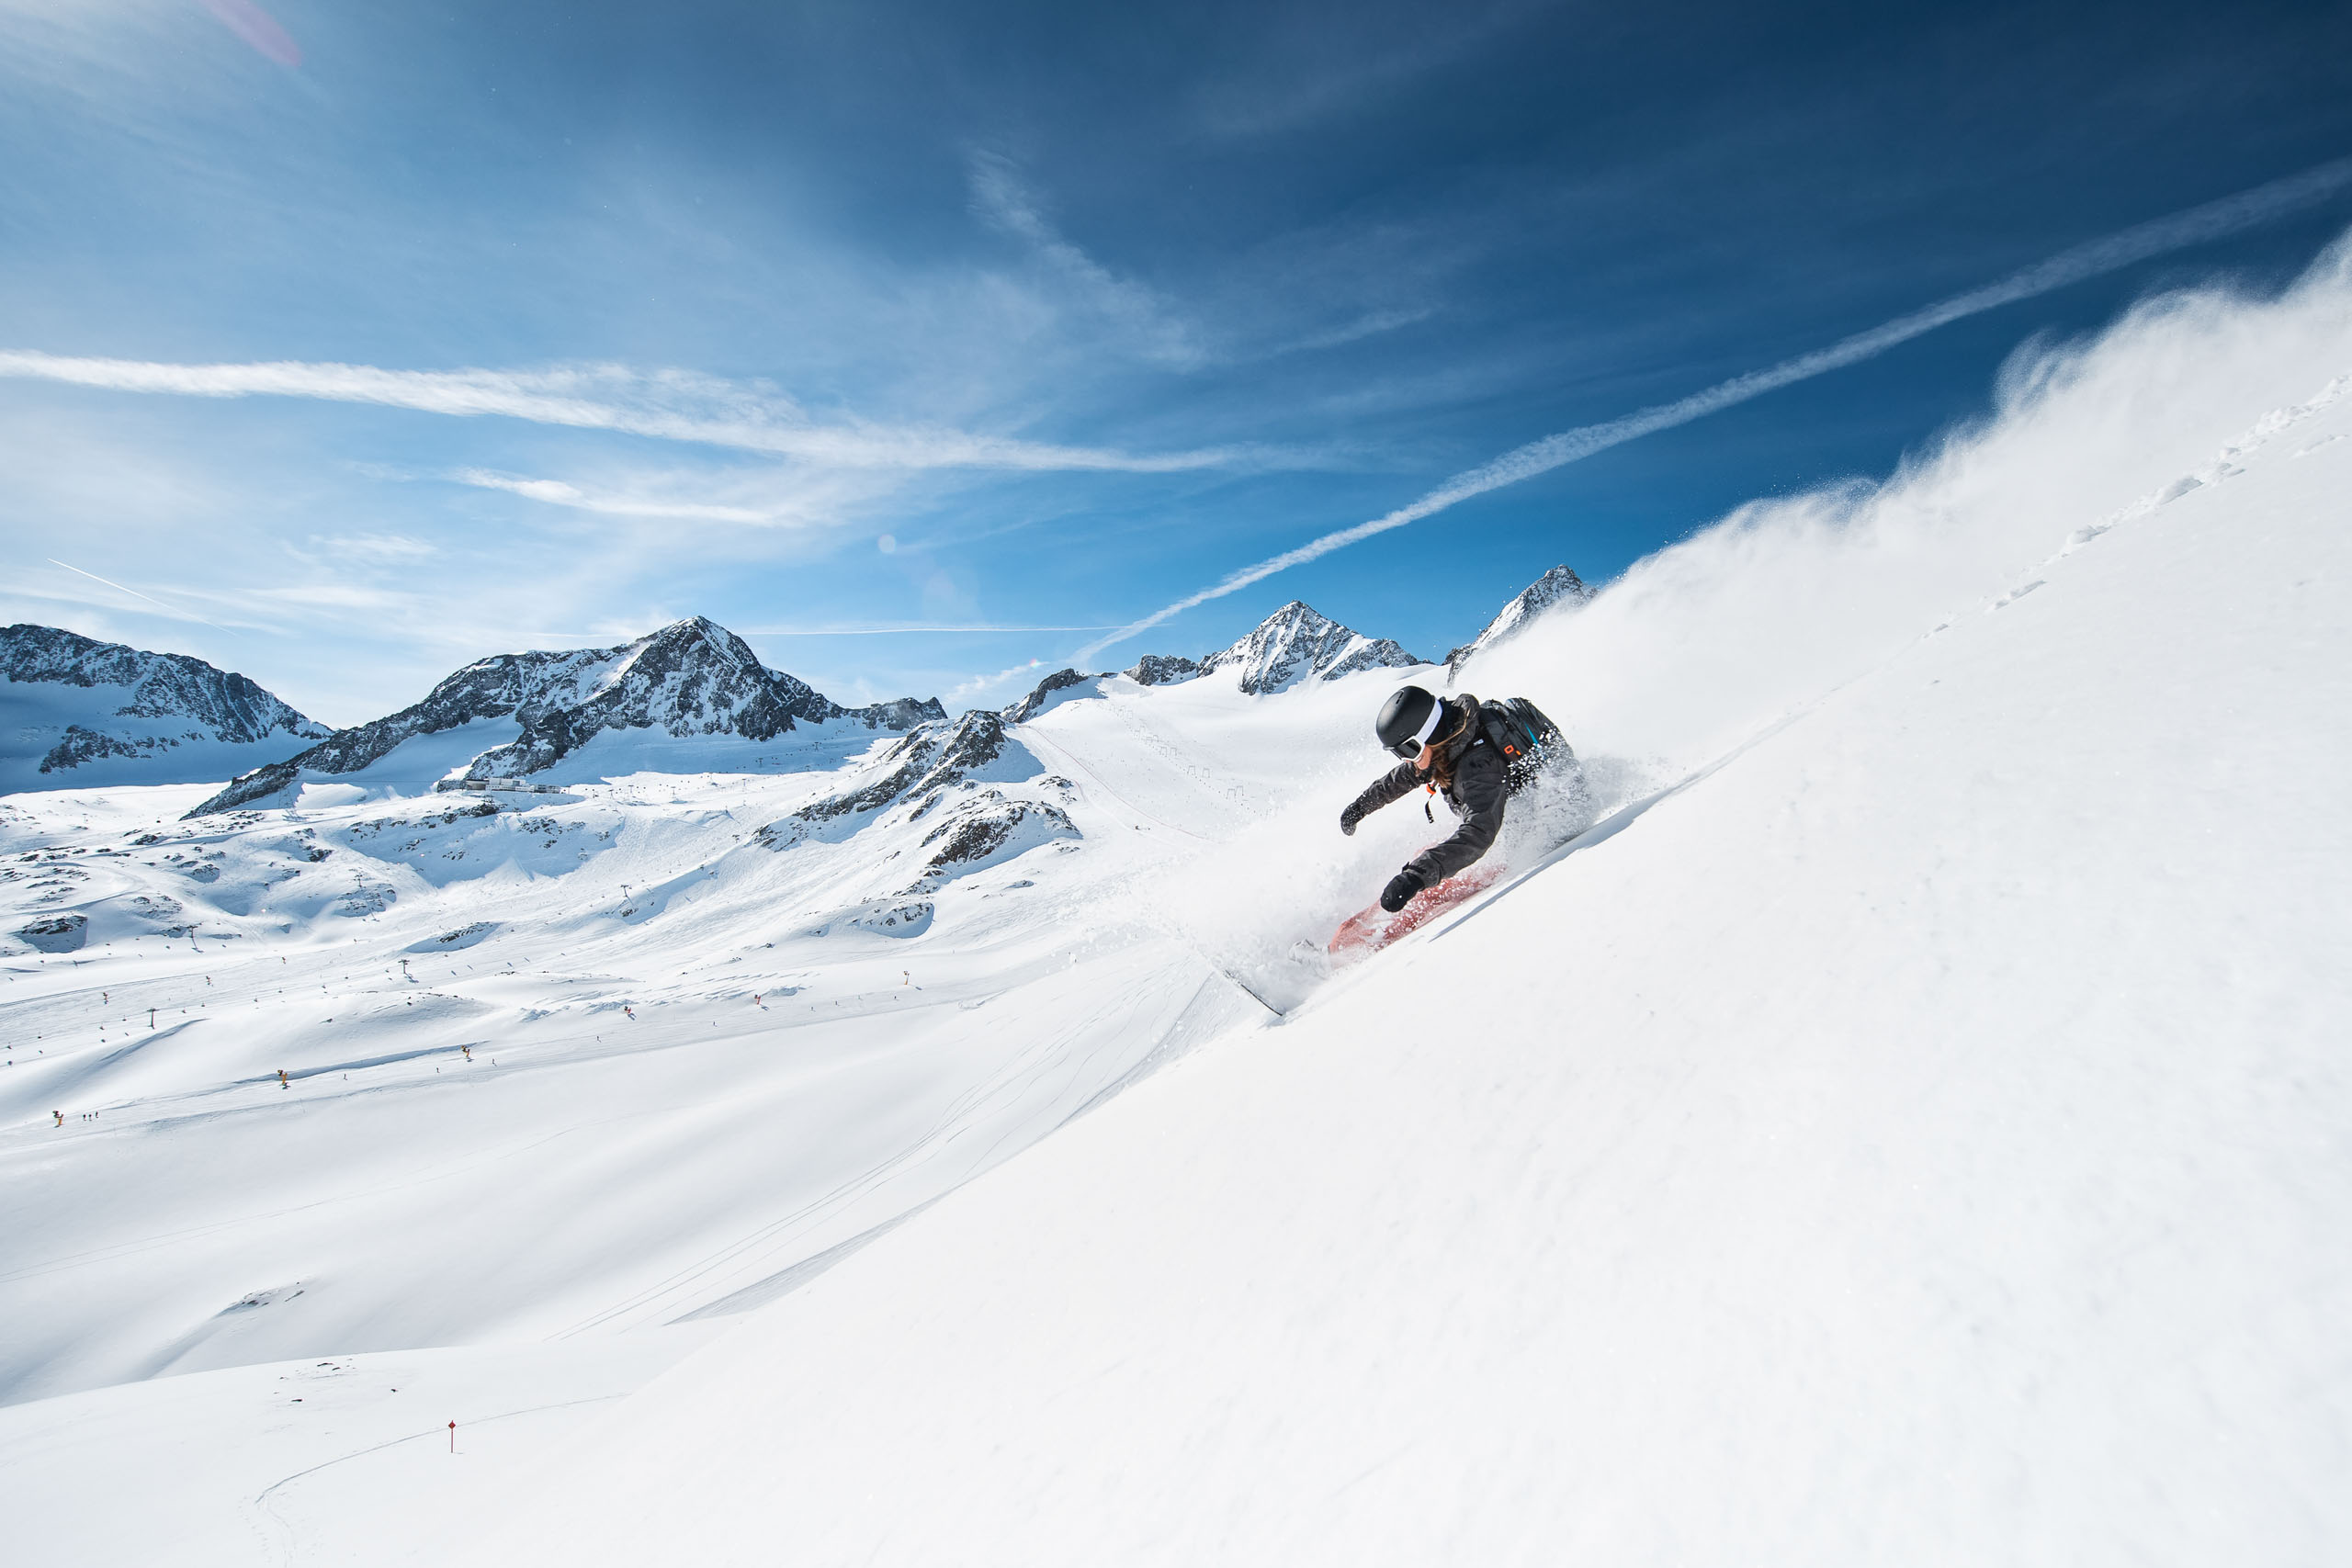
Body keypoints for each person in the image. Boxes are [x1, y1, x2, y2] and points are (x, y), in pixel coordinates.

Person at [1340, 685, 1538, 913]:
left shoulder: (1479, 764)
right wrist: (1360, 807)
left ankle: (1367, 939)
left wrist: (1415, 877)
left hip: (1524, 838)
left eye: (1406, 751)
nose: (1405, 760)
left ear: (1426, 738)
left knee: (1430, 887)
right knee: (1424, 862)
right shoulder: (1445, 745)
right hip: (1503, 826)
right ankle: (1361, 931)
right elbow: (1400, 779)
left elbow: (1478, 833)